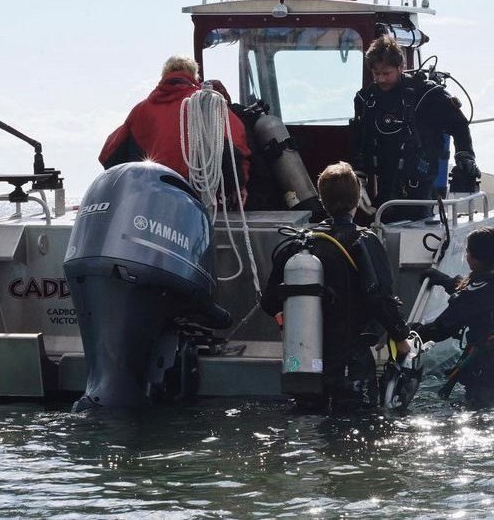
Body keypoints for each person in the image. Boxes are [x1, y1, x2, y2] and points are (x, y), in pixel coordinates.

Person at [260, 162, 410, 412]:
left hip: (307, 363)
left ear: (322, 199)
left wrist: (290, 319)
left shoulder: (300, 244)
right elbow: (381, 296)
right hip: (353, 364)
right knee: (355, 433)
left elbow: (268, 301)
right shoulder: (364, 241)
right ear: (355, 201)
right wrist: (400, 336)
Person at [350, 35, 480, 223]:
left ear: (401, 67)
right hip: (383, 183)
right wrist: (358, 180)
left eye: (386, 73)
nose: (380, 79)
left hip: (421, 186)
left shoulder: (427, 94)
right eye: (376, 74)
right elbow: (360, 140)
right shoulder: (366, 100)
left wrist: (465, 155)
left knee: (417, 222)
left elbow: (459, 125)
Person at [98, 55, 252, 205]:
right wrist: (238, 185)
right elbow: (234, 145)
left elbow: (110, 154)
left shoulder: (141, 110)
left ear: (164, 76)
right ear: (194, 76)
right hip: (195, 200)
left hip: (151, 199)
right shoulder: (207, 104)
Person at [414, 227, 494, 406]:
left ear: (476, 257)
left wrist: (410, 332)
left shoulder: (480, 290)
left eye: (468, 252)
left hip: (487, 378)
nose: (466, 256)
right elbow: (476, 297)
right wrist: (445, 281)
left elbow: (442, 328)